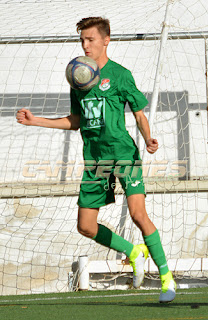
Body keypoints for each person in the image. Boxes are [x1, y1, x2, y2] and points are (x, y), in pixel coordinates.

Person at [16, 16, 176, 303]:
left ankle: (166, 278)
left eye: (90, 40)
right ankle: (133, 251)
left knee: (139, 214)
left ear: (106, 40)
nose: (85, 45)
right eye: (82, 40)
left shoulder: (120, 75)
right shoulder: (77, 76)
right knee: (85, 226)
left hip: (123, 155)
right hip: (94, 161)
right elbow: (75, 121)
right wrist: (35, 120)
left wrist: (149, 138)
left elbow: (139, 114)